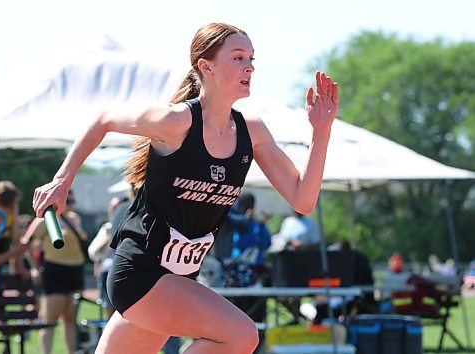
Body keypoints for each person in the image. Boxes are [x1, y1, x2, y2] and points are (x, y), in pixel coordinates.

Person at [32, 22, 338, 354]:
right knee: (242, 335)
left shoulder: (253, 132)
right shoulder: (175, 122)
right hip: (140, 274)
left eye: (251, 58)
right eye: (237, 58)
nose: (249, 66)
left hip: (179, 279)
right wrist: (61, 181)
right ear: (205, 67)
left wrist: (320, 132)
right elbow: (104, 118)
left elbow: (302, 199)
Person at [23, 190, 87, 354]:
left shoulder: (75, 218)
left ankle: (72, 352)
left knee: (71, 319)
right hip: (55, 271)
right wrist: (34, 268)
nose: (71, 203)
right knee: (49, 320)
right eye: (68, 200)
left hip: (76, 271)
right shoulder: (45, 220)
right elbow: (27, 244)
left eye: (72, 200)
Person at [88, 196, 122, 318]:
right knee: (109, 309)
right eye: (114, 207)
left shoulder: (133, 223)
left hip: (126, 270)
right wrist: (110, 237)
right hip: (109, 270)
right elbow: (94, 253)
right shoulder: (107, 228)